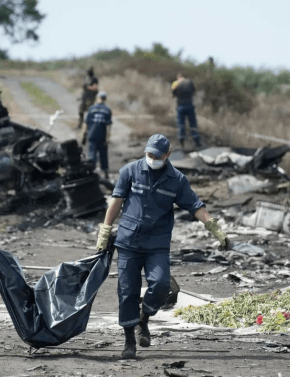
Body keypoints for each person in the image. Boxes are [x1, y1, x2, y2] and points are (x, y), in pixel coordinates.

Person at [95, 134, 230, 359]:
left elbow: (195, 206)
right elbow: (116, 202)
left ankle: (143, 318)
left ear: (167, 155)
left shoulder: (176, 180)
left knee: (160, 285)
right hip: (128, 241)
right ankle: (129, 341)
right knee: (127, 291)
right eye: (149, 154)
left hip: (157, 243)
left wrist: (215, 229)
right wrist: (105, 231)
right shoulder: (130, 171)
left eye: (157, 156)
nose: (152, 158)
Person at [81, 91, 112, 179]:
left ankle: (91, 173)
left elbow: (85, 123)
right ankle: (106, 173)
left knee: (92, 154)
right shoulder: (107, 110)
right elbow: (108, 126)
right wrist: (108, 138)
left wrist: (83, 135)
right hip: (102, 136)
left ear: (97, 98)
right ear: (105, 99)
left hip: (91, 135)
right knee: (103, 155)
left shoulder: (91, 108)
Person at [171, 73, 203, 149]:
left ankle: (181, 141)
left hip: (180, 106)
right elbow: (194, 92)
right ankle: (197, 141)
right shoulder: (190, 82)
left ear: (178, 77)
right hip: (189, 105)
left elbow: (173, 94)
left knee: (181, 124)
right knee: (193, 124)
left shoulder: (176, 83)